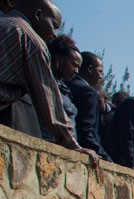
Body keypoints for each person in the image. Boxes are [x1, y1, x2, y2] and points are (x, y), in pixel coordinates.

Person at [0, 0, 98, 165]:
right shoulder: (31, 40)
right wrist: (71, 143)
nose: (54, 34)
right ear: (37, 15)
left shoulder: (4, 23)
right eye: (54, 25)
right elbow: (47, 99)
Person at [66, 51, 111, 161]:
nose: (101, 77)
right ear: (90, 69)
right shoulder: (88, 92)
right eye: (100, 71)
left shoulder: (64, 84)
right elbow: (87, 130)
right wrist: (106, 159)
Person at [38, 33, 79, 143]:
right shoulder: (42, 84)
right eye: (74, 64)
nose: (76, 71)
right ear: (59, 59)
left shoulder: (65, 90)